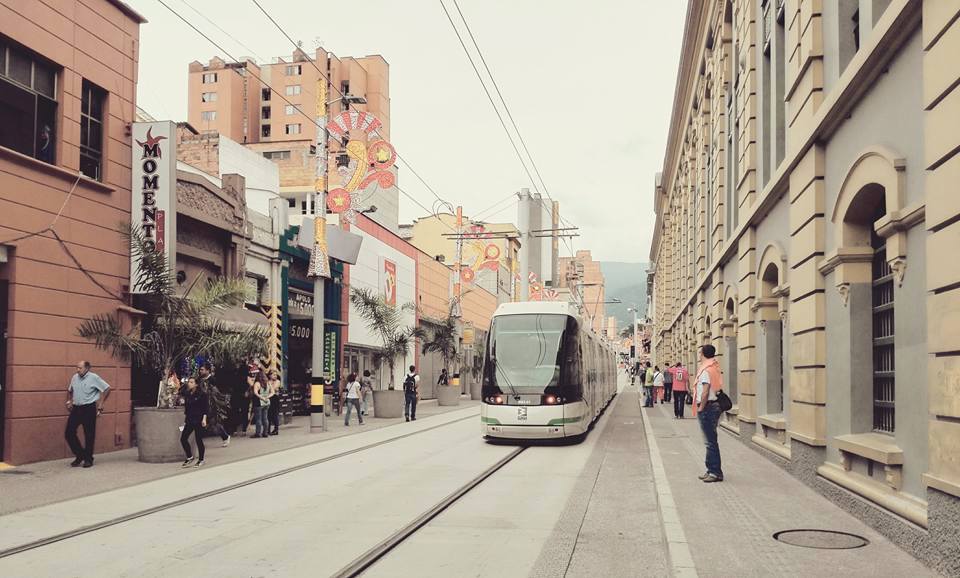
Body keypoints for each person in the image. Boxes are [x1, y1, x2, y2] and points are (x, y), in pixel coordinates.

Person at [64, 361, 111, 468]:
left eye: (80, 368)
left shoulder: (94, 377)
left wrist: (101, 403)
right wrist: (69, 401)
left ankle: (88, 459)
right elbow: (69, 390)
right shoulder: (75, 377)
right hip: (76, 408)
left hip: (88, 408)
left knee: (89, 435)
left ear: (87, 368)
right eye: (77, 367)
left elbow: (107, 388)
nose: (77, 370)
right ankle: (80, 455)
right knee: (69, 433)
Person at [695, 345, 724, 483]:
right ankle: (712, 470)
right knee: (711, 441)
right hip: (713, 406)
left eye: (700, 353)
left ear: (703, 354)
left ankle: (714, 472)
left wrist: (701, 407)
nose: (699, 356)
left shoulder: (706, 370)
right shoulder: (714, 367)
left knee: (710, 442)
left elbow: (705, 391)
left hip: (708, 407)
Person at [197, 363, 230, 447]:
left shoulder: (213, 380)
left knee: (214, 423)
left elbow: (217, 393)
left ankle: (225, 436)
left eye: (202, 370)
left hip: (212, 405)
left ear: (208, 370)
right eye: (200, 369)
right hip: (201, 404)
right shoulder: (199, 379)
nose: (200, 371)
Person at [179, 377, 208, 468]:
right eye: (189, 382)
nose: (189, 384)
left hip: (199, 419)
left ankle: (201, 459)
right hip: (190, 419)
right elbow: (187, 409)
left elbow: (205, 408)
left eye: (191, 382)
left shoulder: (202, 394)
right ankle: (189, 456)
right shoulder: (188, 394)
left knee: (198, 440)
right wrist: (185, 421)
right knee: (183, 438)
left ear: (196, 384)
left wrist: (204, 419)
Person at [251, 370, 270, 438]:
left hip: (258, 402)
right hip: (266, 402)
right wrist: (267, 397)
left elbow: (255, 393)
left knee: (258, 419)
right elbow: (272, 392)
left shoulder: (257, 383)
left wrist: (261, 397)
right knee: (265, 418)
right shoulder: (267, 383)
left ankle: (258, 433)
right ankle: (265, 433)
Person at [267, 370, 282, 436]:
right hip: (269, 398)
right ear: (270, 375)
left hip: (275, 398)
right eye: (273, 375)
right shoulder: (267, 381)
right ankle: (268, 430)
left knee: (275, 414)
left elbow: (273, 388)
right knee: (268, 415)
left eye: (276, 375)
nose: (275, 376)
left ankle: (276, 429)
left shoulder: (278, 381)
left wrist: (270, 385)